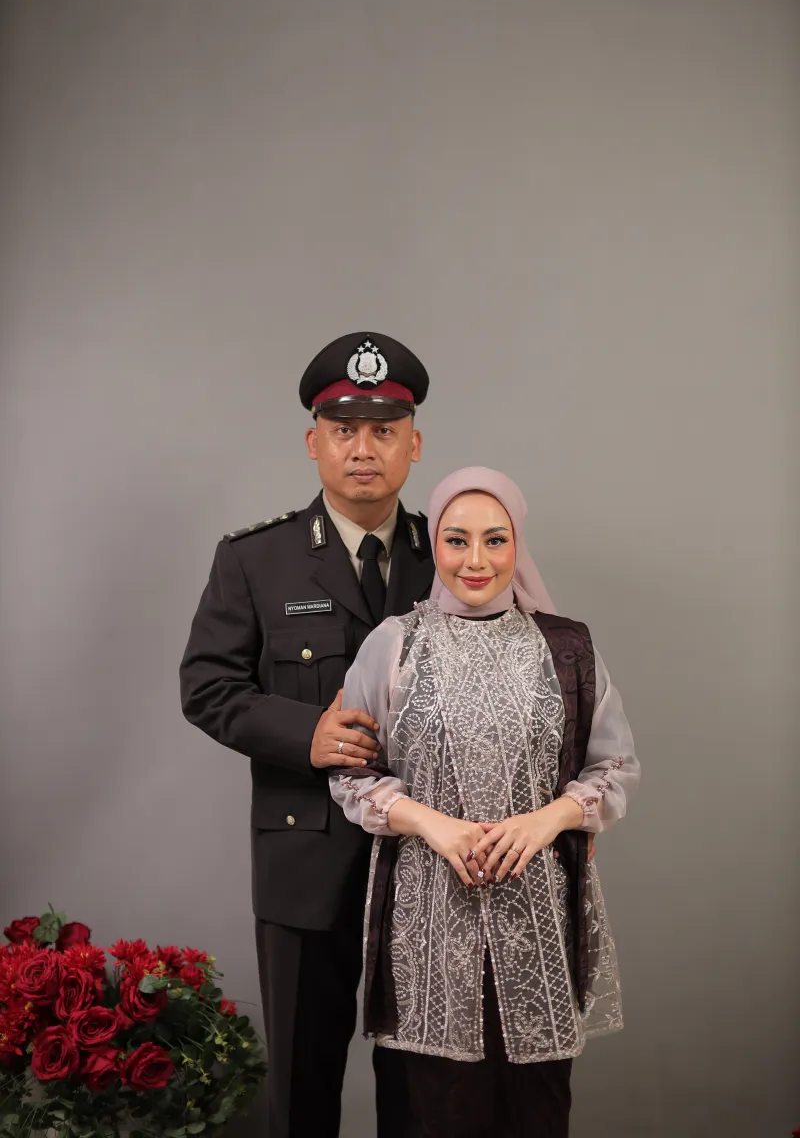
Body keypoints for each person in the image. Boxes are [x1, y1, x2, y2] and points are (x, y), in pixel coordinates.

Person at [329, 466, 640, 1138]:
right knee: (436, 1108)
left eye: (495, 540)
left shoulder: (565, 647)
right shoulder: (395, 645)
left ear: (517, 544)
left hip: (537, 914)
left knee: (535, 1108)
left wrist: (548, 820)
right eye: (457, 539)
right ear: (435, 545)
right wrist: (432, 825)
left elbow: (613, 765)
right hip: (430, 920)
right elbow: (351, 773)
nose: (476, 560)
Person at [179, 332, 435, 1138]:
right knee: (302, 1088)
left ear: (413, 445)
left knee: (425, 1089)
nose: (363, 449)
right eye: (344, 430)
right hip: (304, 854)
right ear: (313, 442)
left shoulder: (451, 555)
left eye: (384, 430)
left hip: (428, 864)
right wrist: (306, 733)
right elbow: (207, 687)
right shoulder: (256, 560)